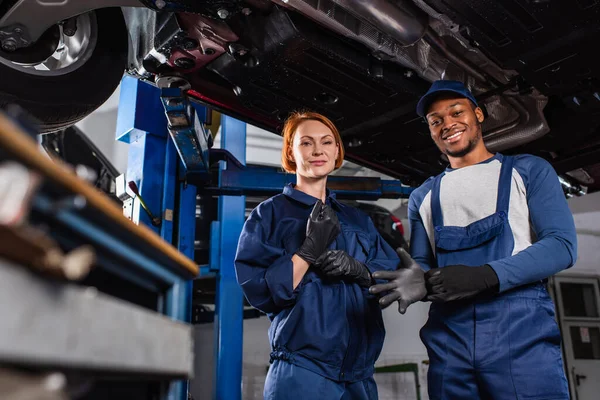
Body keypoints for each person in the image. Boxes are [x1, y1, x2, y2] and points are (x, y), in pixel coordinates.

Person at [369, 80, 577, 399]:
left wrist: (487, 275)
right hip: (449, 339)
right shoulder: (423, 196)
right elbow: (423, 264)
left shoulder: (529, 171)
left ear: (478, 114)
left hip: (520, 335)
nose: (447, 124)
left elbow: (561, 247)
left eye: (456, 112)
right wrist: (419, 281)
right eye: (435, 120)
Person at [234, 111, 402, 400]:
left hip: (360, 376)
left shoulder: (358, 220)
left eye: (326, 142)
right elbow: (261, 292)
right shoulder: (271, 215)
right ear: (291, 151)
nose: (317, 151)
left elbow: (392, 282)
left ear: (337, 151)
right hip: (303, 373)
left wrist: (359, 270)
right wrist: (309, 250)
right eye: (306, 143)